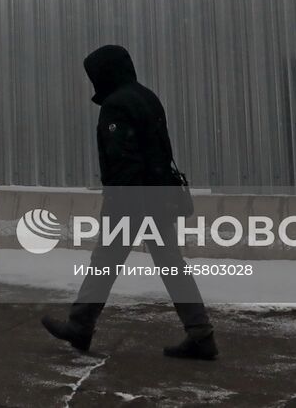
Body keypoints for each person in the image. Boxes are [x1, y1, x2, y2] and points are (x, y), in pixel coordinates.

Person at [40, 44, 217, 360]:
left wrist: (120, 203)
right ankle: (201, 334)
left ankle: (81, 327)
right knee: (170, 265)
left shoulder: (116, 106)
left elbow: (123, 159)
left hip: (133, 200)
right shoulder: (147, 97)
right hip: (159, 195)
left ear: (105, 72)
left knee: (105, 262)